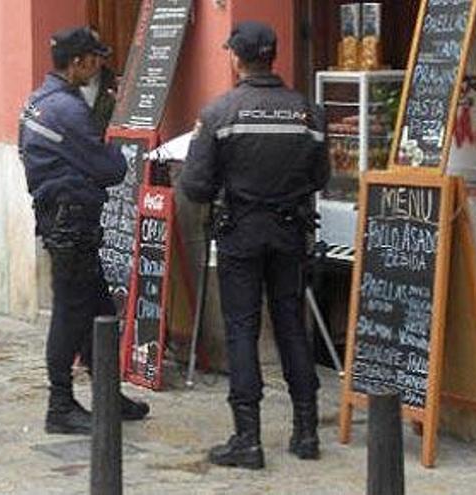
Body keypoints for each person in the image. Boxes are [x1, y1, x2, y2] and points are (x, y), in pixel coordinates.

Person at [180, 21, 330, 469]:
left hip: (240, 234)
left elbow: (194, 186)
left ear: (236, 58)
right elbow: (320, 177)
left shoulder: (219, 112)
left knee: (242, 330)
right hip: (290, 233)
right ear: (273, 57)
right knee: (290, 326)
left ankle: (248, 438)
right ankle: (306, 433)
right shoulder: (308, 112)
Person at [20, 26, 150, 435]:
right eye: (95, 58)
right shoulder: (69, 110)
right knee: (71, 313)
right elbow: (111, 168)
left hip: (63, 218)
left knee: (99, 311)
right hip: (71, 221)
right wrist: (106, 125)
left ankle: (108, 394)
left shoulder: (39, 101)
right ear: (78, 62)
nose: (99, 66)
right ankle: (59, 405)